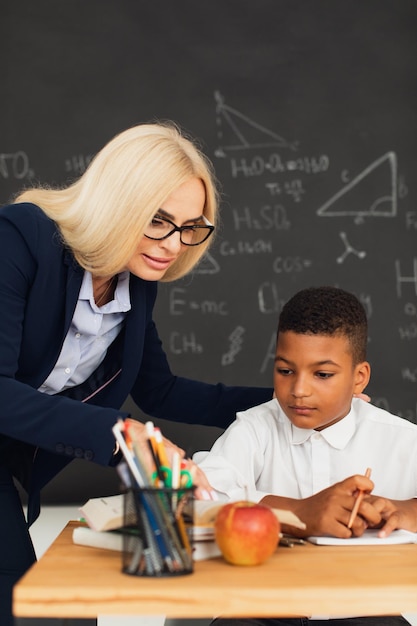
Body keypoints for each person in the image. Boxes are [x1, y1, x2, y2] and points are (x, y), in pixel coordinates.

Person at [0, 121, 273, 625]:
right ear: (117, 202)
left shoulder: (137, 281)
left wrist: (288, 402)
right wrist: (122, 436)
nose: (173, 244)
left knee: (62, 610)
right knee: (26, 606)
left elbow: (160, 391)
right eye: (158, 220)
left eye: (190, 227)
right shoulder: (21, 237)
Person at [196, 286, 417, 626]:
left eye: (323, 375)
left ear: (359, 378)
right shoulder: (255, 429)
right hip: (265, 610)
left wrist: (405, 511)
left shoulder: (402, 439)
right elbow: (196, 501)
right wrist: (297, 512)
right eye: (285, 371)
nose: (299, 389)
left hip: (367, 611)